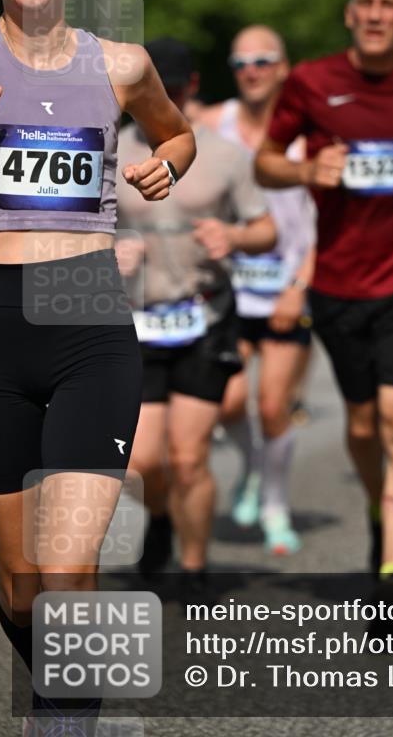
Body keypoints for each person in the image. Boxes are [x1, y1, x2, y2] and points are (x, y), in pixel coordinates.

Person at [0, 0, 195, 733]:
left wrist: (168, 163)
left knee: (69, 570)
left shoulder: (120, 63)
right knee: (23, 589)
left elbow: (176, 130)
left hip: (87, 318)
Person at [256, 0, 393, 589]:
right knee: (365, 425)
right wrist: (305, 172)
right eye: (365, 3)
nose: (375, 14)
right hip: (340, 284)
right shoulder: (312, 82)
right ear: (350, 14)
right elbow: (266, 163)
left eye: (388, 5)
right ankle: (380, 508)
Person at [116, 37, 276, 587]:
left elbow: (265, 230)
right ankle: (160, 517)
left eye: (174, 83)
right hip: (137, 323)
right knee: (141, 462)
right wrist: (109, 251)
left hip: (204, 321)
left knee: (189, 457)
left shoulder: (226, 155)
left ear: (189, 88)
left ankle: (194, 564)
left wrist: (232, 234)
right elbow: (78, 233)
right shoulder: (112, 152)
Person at [193, 25, 315, 555]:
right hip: (229, 291)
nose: (253, 70)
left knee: (272, 406)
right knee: (227, 399)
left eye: (265, 59)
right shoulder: (210, 123)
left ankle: (274, 502)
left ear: (284, 67)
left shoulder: (309, 134)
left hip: (288, 286)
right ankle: (248, 465)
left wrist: (299, 288)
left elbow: (327, 223)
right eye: (242, 61)